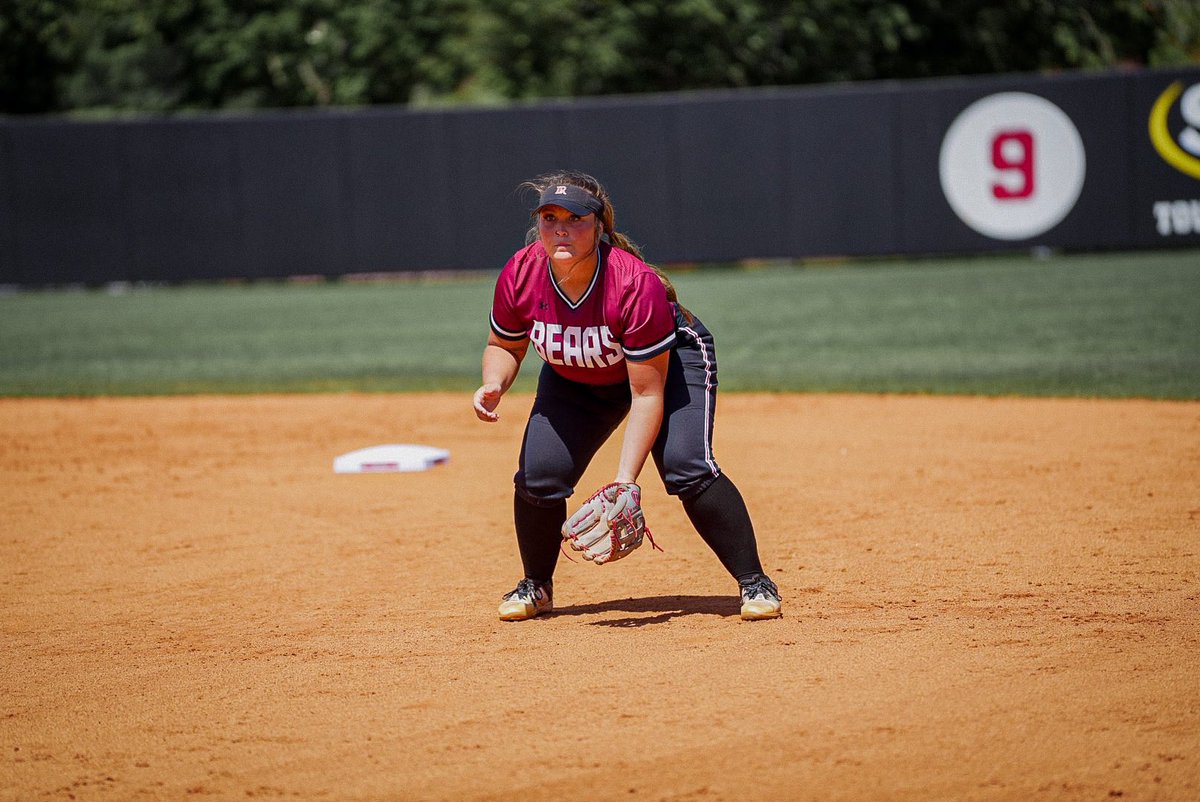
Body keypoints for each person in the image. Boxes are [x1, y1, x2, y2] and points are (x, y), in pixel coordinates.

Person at [472, 170, 782, 622]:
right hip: (576, 379)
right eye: (549, 217)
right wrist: (495, 383)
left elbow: (645, 393)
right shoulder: (522, 272)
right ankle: (536, 586)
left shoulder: (633, 285)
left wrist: (625, 479)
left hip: (666, 369)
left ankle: (755, 582)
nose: (560, 228)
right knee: (539, 476)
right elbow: (504, 344)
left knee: (686, 466)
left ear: (599, 227)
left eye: (575, 218)